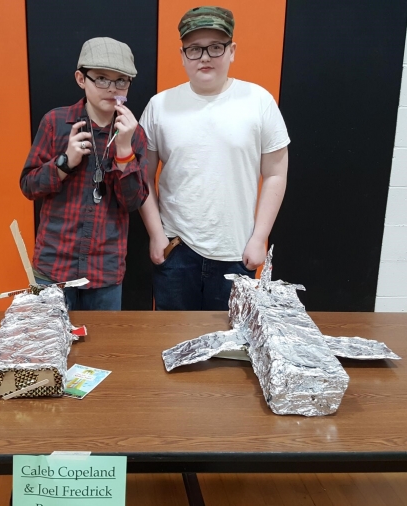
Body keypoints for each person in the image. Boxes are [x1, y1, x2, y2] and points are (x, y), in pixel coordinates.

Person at [139, 6, 290, 310]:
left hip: (236, 251)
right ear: (182, 55)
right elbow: (142, 176)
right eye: (194, 49)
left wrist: (260, 237)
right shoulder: (159, 106)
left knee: (231, 348)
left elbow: (275, 173)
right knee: (174, 343)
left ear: (231, 51)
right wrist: (156, 234)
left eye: (215, 47)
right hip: (176, 250)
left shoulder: (258, 101)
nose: (205, 56)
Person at [20, 37, 148, 310]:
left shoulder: (134, 133)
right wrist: (64, 163)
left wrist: (124, 150)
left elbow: (134, 202)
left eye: (121, 81)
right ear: (81, 78)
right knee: (47, 346)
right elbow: (29, 187)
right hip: (53, 268)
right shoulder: (56, 122)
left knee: (100, 351)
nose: (111, 89)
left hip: (105, 271)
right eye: (101, 78)